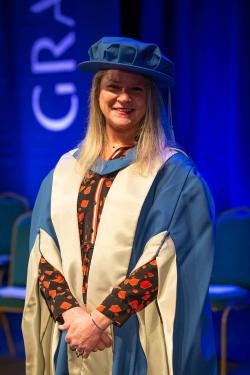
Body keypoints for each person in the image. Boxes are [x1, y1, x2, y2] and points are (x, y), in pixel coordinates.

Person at [22, 36, 217, 375]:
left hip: (133, 338)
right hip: (72, 334)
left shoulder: (173, 174)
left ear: (151, 99)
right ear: (98, 94)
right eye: (114, 87)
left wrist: (99, 321)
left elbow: (166, 263)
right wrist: (72, 315)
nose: (123, 98)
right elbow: (43, 253)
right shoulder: (66, 168)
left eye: (136, 90)